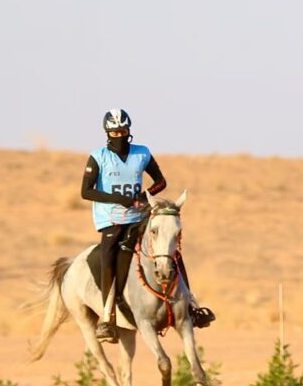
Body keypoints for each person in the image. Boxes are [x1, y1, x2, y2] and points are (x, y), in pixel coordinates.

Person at [81, 109, 215, 343]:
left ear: (129, 131)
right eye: (114, 132)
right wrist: (120, 199)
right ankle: (107, 318)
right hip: (110, 219)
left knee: (169, 249)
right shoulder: (98, 156)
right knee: (108, 257)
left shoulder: (142, 153)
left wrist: (144, 196)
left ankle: (192, 306)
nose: (118, 136)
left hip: (138, 216)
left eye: (122, 131)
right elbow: (86, 191)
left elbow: (161, 182)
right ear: (107, 133)